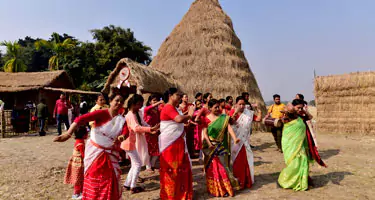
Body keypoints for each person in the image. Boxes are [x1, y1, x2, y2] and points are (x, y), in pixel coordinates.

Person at [53, 88, 129, 200]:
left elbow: (126, 131)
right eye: (117, 100)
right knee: (94, 177)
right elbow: (80, 119)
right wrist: (68, 134)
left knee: (110, 179)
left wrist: (122, 137)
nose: (119, 103)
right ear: (111, 101)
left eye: (121, 102)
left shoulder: (121, 119)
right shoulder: (101, 113)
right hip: (95, 153)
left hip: (110, 154)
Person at [278, 99, 326, 191]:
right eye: (298, 107)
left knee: (303, 161)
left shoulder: (301, 116)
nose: (299, 109)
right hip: (291, 144)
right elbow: (287, 110)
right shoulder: (290, 115)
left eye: (301, 108)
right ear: (293, 107)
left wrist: (304, 110)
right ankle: (288, 180)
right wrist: (291, 109)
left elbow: (310, 117)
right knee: (295, 163)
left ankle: (302, 181)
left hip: (301, 144)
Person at [159, 88, 194, 200]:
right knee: (172, 170)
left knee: (180, 169)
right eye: (178, 95)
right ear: (170, 95)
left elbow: (179, 124)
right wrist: (189, 115)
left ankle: (180, 193)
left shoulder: (175, 108)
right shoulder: (168, 107)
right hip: (170, 145)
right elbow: (179, 119)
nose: (180, 97)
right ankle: (172, 195)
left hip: (177, 142)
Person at [202, 99, 241, 197]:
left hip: (220, 145)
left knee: (222, 167)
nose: (218, 109)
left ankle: (224, 188)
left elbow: (229, 128)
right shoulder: (206, 119)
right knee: (212, 168)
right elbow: (205, 133)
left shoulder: (223, 118)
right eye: (215, 107)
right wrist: (209, 144)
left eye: (218, 107)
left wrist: (235, 138)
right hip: (210, 147)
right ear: (210, 108)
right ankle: (215, 189)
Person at [121, 94, 159, 193]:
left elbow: (142, 123)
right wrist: (150, 129)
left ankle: (127, 184)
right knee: (137, 164)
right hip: (129, 142)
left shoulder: (137, 112)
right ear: (133, 104)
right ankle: (133, 186)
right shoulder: (130, 115)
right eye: (138, 104)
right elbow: (136, 128)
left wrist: (151, 129)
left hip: (132, 141)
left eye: (141, 105)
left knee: (135, 164)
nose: (140, 107)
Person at [229, 96, 261, 190]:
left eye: (243, 104)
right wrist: (235, 112)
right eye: (240, 104)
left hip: (245, 142)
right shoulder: (232, 112)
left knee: (246, 161)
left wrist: (259, 111)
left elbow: (258, 119)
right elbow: (231, 121)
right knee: (237, 162)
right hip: (236, 141)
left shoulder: (249, 114)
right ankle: (239, 181)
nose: (242, 106)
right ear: (236, 104)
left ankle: (247, 180)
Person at [63, 125, 88, 199]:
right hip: (79, 164)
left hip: (75, 162)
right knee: (79, 179)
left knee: (78, 179)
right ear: (83, 135)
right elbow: (84, 155)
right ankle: (76, 193)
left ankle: (79, 192)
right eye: (87, 133)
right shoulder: (81, 144)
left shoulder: (78, 141)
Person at [143, 94, 164, 171]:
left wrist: (158, 129)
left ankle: (152, 165)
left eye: (157, 100)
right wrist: (159, 102)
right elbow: (149, 108)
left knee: (156, 149)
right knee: (148, 149)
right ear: (149, 101)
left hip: (156, 132)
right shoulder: (146, 110)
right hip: (148, 131)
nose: (156, 102)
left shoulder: (158, 111)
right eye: (154, 100)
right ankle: (148, 166)